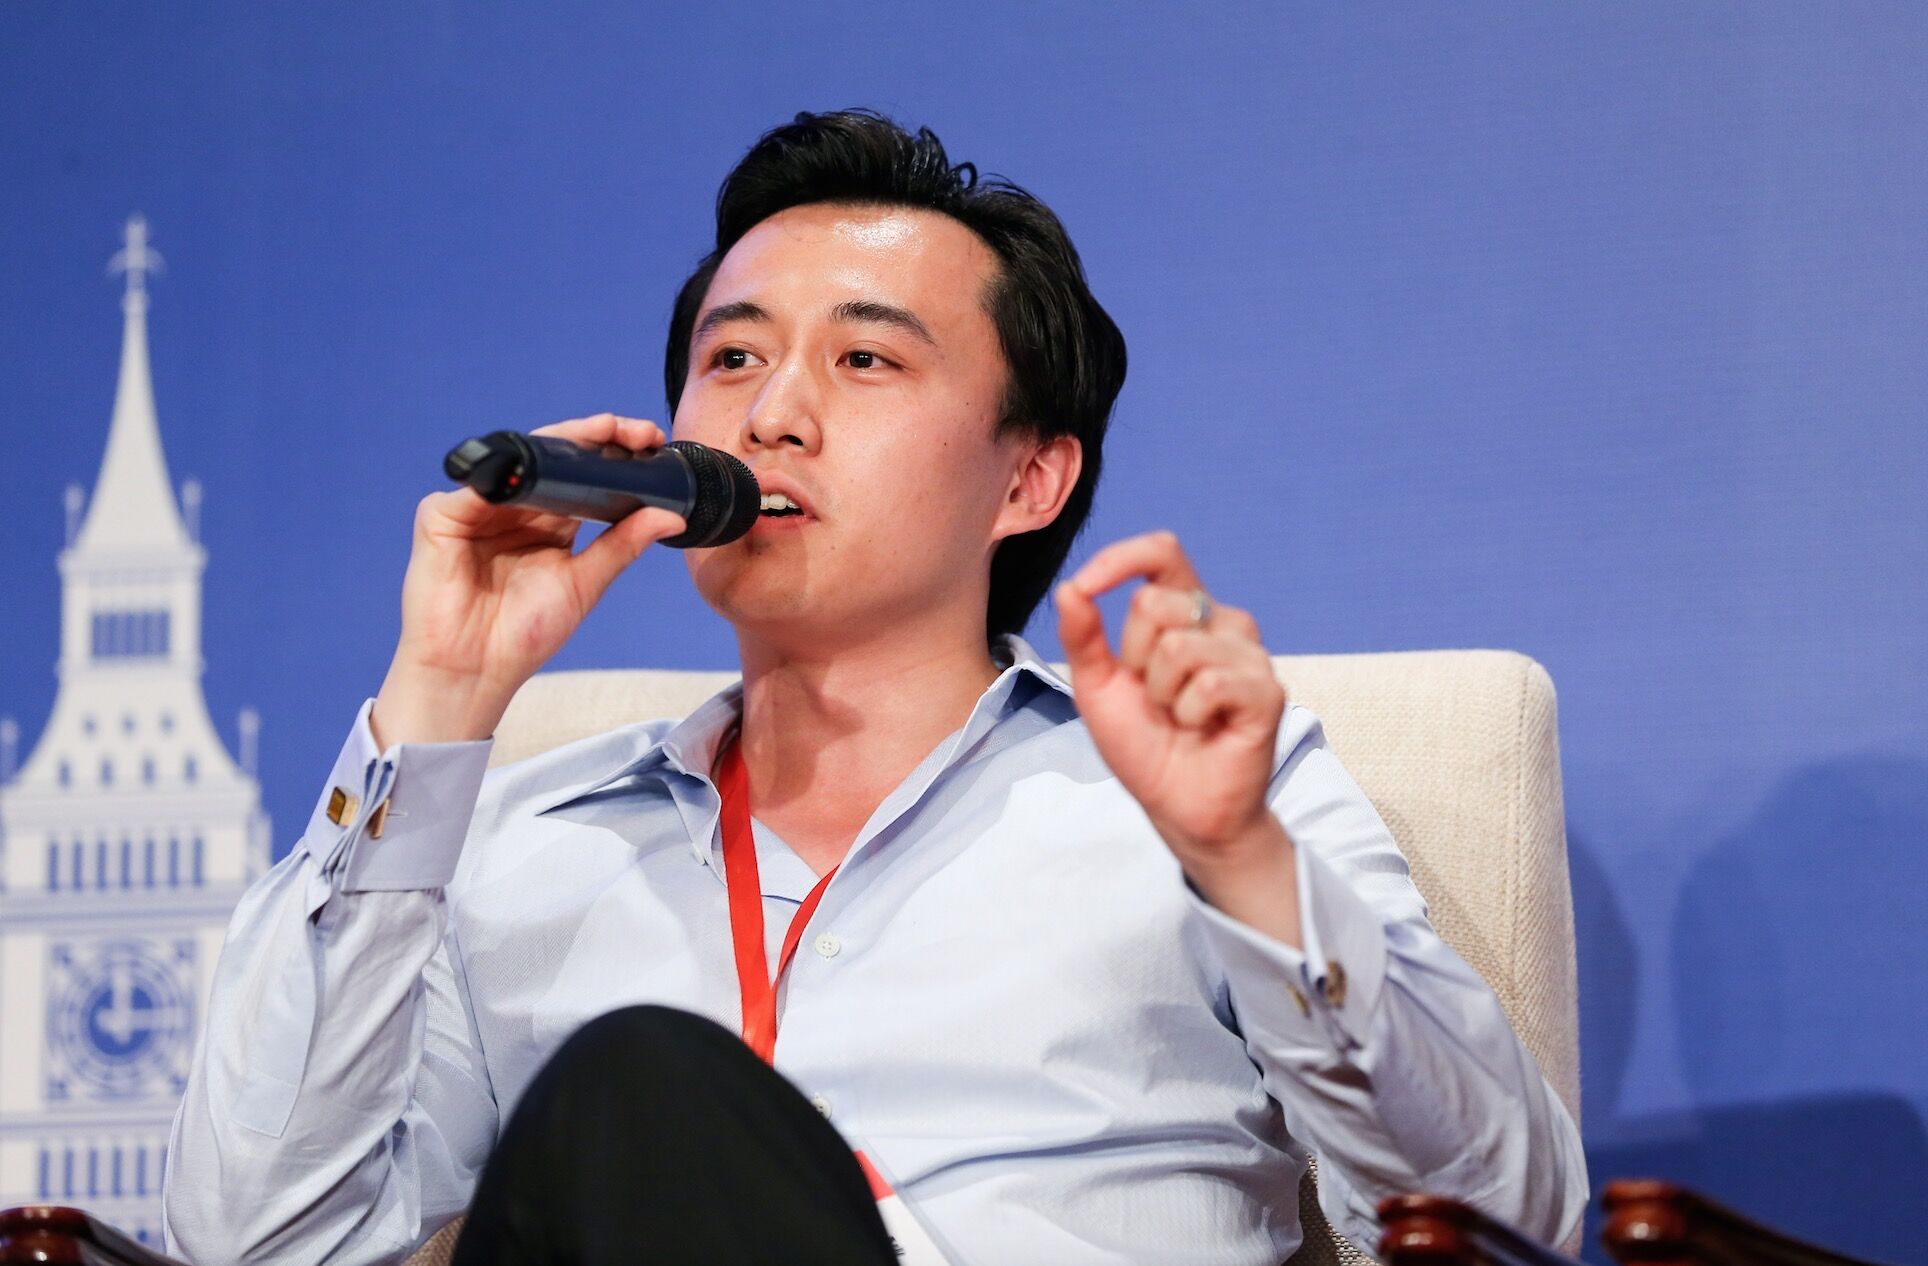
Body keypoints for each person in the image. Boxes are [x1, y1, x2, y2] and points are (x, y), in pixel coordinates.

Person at [162, 109, 1586, 1266]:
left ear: (1029, 479)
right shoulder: (511, 843)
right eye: (732, 357)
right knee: (635, 1094)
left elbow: (1504, 1222)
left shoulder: (1205, 803)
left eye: (862, 358)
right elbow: (255, 1243)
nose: (772, 412)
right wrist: (433, 704)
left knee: (636, 1082)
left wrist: (1244, 864)